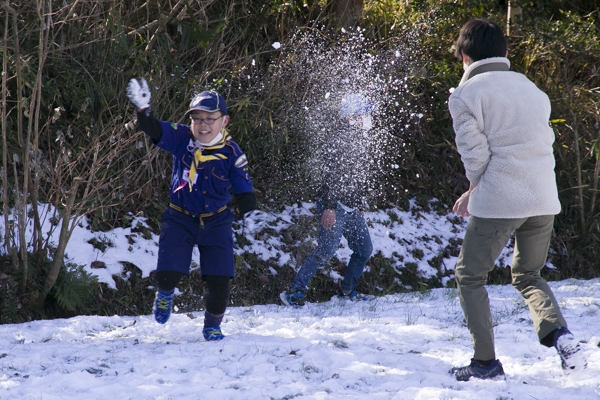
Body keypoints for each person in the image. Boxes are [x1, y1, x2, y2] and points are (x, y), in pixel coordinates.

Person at [448, 19, 587, 380]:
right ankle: (560, 334)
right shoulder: (532, 89)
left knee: (470, 275)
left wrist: (474, 189)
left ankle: (484, 363)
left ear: (464, 56)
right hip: (542, 197)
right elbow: (534, 145)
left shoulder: (466, 95)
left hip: (500, 200)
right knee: (528, 274)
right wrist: (472, 191)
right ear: (505, 53)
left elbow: (475, 157)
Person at [126, 79, 264, 341]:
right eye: (197, 119)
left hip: (217, 221)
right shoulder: (181, 138)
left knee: (220, 279)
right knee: (168, 273)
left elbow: (243, 189)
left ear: (224, 121)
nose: (203, 124)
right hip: (180, 217)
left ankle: (212, 325)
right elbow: (154, 130)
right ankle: (165, 294)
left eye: (210, 118)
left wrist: (250, 212)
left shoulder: (232, 152)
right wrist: (143, 110)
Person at [280, 93, 374, 307]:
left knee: (364, 249)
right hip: (335, 206)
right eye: (363, 114)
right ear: (351, 117)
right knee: (326, 250)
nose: (367, 117)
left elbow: (355, 178)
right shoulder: (339, 140)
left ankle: (347, 291)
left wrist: (358, 205)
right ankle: (295, 291)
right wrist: (329, 208)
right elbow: (331, 177)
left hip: (351, 208)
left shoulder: (359, 139)